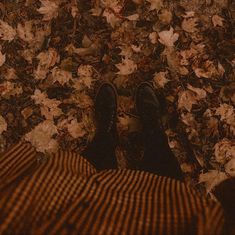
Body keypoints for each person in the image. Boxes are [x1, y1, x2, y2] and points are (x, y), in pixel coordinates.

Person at [0, 82, 225, 235]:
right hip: (162, 218)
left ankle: (106, 134)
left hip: (69, 214)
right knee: (163, 178)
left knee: (86, 171)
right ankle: (153, 129)